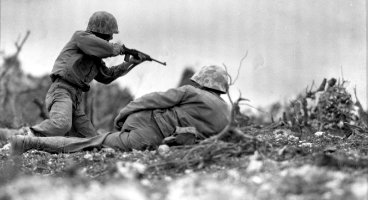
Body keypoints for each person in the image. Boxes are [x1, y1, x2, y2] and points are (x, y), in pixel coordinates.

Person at [10, 65, 231, 154]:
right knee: (92, 142)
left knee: (91, 141)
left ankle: (28, 142)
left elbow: (153, 99)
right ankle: (27, 141)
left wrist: (122, 115)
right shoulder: (226, 113)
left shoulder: (192, 92)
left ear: (203, 81)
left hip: (146, 125)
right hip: (155, 138)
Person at [25, 11, 147, 138]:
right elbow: (107, 48)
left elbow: (107, 76)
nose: (111, 37)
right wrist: (120, 49)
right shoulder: (80, 37)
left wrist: (130, 63)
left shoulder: (95, 58)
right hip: (61, 91)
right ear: (101, 31)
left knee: (93, 140)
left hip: (75, 99)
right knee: (61, 125)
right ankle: (28, 136)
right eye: (110, 33)